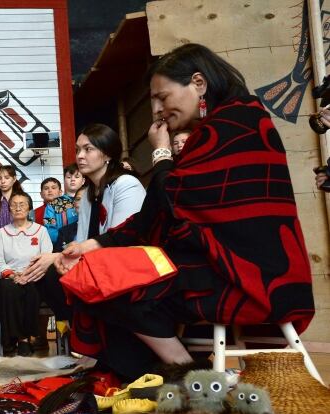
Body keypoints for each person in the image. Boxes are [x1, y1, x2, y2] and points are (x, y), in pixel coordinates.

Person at [52, 43, 314, 380]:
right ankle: (174, 370)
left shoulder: (234, 124)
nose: (158, 110)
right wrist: (97, 245)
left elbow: (172, 201)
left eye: (163, 97)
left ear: (198, 83)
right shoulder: (227, 123)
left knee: (111, 282)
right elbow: (159, 212)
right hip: (228, 265)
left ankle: (188, 371)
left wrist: (161, 153)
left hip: (246, 275)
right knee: (96, 272)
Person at [0, 192, 56, 356]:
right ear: (9, 209)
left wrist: (29, 274)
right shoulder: (2, 233)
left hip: (35, 274)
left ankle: (26, 339)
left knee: (32, 289)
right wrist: (13, 275)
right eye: (14, 204)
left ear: (29, 208)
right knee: (7, 288)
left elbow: (46, 256)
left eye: (22, 204)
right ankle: (14, 339)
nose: (18, 207)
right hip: (12, 276)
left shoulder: (41, 231)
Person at [74, 124, 146, 242]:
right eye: (77, 150)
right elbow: (82, 242)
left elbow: (122, 241)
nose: (79, 156)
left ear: (107, 154)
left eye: (88, 149)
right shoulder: (88, 193)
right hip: (95, 259)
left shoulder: (127, 185)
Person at [31, 177, 77, 252]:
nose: (50, 190)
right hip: (48, 248)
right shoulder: (34, 213)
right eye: (46, 188)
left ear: (60, 192)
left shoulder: (71, 206)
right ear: (41, 194)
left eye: (53, 188)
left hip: (72, 244)